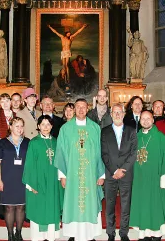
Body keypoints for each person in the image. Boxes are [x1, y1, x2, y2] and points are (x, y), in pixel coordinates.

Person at [54, 98, 105, 241]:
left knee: (90, 201)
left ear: (87, 109)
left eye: (83, 107)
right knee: (72, 201)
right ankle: (73, 233)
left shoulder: (95, 128)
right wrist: (62, 175)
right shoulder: (65, 129)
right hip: (72, 174)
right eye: (78, 107)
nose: (81, 110)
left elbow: (101, 151)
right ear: (74, 109)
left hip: (91, 174)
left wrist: (101, 174)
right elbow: (61, 152)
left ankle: (90, 233)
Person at [129, 111, 165, 240]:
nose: (145, 121)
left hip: (156, 181)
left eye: (148, 118)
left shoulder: (161, 138)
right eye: (143, 119)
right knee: (143, 207)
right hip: (139, 181)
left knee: (156, 207)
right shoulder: (135, 137)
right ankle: (144, 234)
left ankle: (157, 235)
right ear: (139, 121)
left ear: (153, 120)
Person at [23, 115, 63, 241]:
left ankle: (51, 236)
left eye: (48, 124)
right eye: (43, 124)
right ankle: (39, 237)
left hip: (53, 182)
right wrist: (32, 184)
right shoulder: (34, 142)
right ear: (38, 126)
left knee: (52, 206)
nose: (46, 127)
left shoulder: (56, 142)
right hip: (39, 182)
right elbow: (29, 164)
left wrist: (61, 178)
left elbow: (61, 162)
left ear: (52, 126)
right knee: (39, 208)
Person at [101, 103, 137, 241]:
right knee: (109, 204)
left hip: (126, 174)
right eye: (114, 112)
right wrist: (114, 170)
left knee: (125, 204)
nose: (117, 114)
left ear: (123, 114)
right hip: (110, 174)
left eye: (119, 112)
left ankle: (123, 232)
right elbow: (104, 153)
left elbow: (134, 153)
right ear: (111, 115)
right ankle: (110, 232)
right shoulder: (104, 131)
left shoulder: (131, 131)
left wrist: (123, 169)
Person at [0, 117, 30, 241]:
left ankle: (18, 233)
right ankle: (10, 234)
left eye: (21, 126)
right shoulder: (2, 143)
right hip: (7, 179)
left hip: (22, 179)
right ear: (10, 127)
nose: (19, 129)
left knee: (21, 207)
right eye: (16, 126)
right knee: (9, 207)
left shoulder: (27, 142)